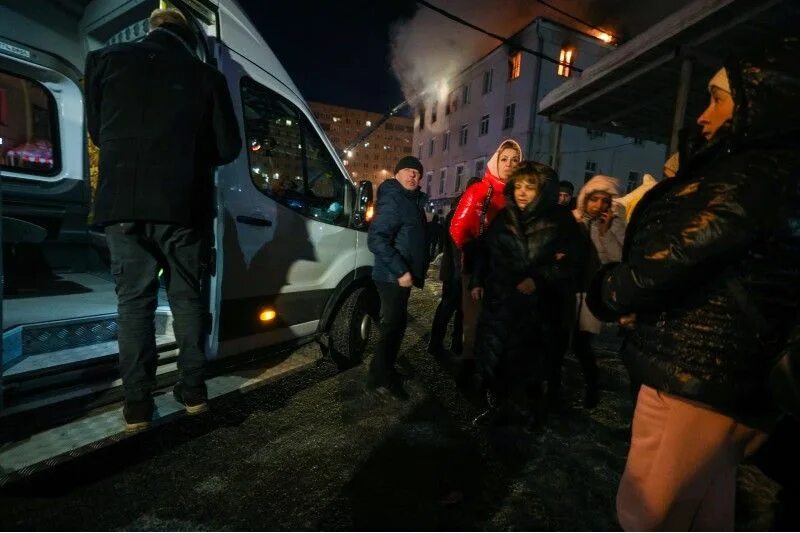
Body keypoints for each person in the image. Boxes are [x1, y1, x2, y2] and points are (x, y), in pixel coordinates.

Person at [587, 38, 800, 530]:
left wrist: (606, 292)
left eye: (718, 98)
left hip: (695, 373)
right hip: (736, 381)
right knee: (706, 511)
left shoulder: (746, 175)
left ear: (759, 100)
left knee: (649, 515)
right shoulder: (781, 172)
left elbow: (670, 259)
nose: (703, 116)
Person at [85, 8, 242, 432]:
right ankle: (193, 392)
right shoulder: (205, 76)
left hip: (122, 205)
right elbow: (228, 148)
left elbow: (98, 131)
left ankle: (136, 405)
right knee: (186, 299)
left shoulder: (106, 61)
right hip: (181, 207)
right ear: (189, 37)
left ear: (153, 30)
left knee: (133, 305)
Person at [470, 162, 580, 428]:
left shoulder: (559, 220)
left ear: (542, 191)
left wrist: (539, 279)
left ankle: (532, 413)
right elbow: (484, 252)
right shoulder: (504, 217)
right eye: (518, 186)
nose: (522, 192)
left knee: (532, 367)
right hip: (500, 304)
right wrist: (477, 281)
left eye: (529, 187)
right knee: (497, 361)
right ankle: (497, 407)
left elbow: (570, 262)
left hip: (538, 310)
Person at [449, 140, 523, 367]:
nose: (509, 164)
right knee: (474, 325)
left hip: (507, 274)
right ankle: (468, 373)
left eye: (515, 160)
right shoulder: (480, 190)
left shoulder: (520, 196)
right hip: (476, 272)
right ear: (495, 161)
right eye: (504, 159)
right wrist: (476, 254)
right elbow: (457, 229)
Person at [367, 156, 430, 401]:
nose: (413, 176)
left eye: (417, 172)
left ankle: (385, 370)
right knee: (391, 330)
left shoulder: (410, 201)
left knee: (397, 327)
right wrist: (401, 271)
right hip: (392, 277)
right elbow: (377, 239)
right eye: (407, 171)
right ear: (396, 175)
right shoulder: (395, 199)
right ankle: (378, 380)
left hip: (400, 277)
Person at [571, 175, 625, 409]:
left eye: (604, 200)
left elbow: (617, 259)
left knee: (582, 344)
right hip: (569, 288)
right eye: (595, 199)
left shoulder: (614, 224)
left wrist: (605, 233)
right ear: (586, 198)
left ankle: (592, 388)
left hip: (591, 292)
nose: (599, 205)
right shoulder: (574, 220)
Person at [428, 177, 482, 358]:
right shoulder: (459, 212)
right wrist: (462, 271)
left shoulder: (475, 212)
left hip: (463, 271)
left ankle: (456, 343)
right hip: (455, 272)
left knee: (462, 310)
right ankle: (436, 344)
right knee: (448, 307)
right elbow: (456, 245)